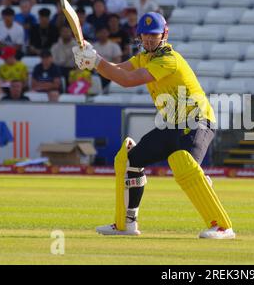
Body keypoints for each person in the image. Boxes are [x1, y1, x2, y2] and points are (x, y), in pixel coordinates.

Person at [72, 12, 235, 239]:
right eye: (145, 35)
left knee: (185, 166)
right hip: (172, 125)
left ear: (164, 35)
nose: (149, 40)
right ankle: (126, 224)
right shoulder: (142, 58)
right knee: (130, 160)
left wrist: (96, 62)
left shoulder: (169, 59)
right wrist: (91, 58)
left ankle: (222, 227)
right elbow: (118, 69)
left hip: (197, 121)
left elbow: (127, 81)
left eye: (154, 35)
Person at [93, 25, 122, 90]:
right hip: (97, 73)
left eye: (104, 32)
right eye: (100, 32)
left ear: (108, 33)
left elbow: (117, 61)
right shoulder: (93, 47)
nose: (102, 34)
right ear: (97, 34)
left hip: (110, 72)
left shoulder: (114, 46)